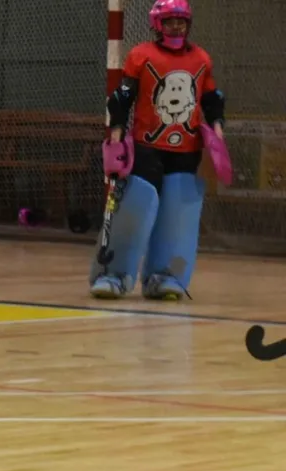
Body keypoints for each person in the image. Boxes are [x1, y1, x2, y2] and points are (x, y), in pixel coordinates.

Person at [91, 0, 225, 300]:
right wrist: (116, 132)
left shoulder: (201, 58)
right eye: (169, 21)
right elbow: (123, 97)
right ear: (157, 24)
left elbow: (211, 98)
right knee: (134, 209)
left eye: (181, 21)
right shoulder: (141, 55)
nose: (176, 26)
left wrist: (217, 126)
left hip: (186, 151)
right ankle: (112, 273)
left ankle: (167, 275)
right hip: (146, 147)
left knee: (178, 214)